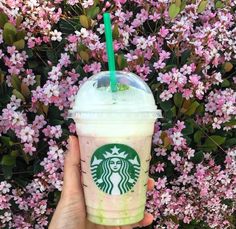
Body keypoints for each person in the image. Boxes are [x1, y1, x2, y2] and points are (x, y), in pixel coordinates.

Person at [49, 136, 155, 229]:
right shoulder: (105, 178)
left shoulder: (125, 178)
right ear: (106, 164)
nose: (115, 165)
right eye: (111, 162)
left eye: (118, 162)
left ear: (123, 164)